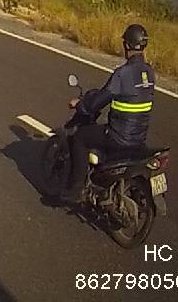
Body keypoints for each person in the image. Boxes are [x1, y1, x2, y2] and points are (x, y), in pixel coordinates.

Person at [62, 23, 156, 203]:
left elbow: (101, 99)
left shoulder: (123, 73)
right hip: (139, 137)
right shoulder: (149, 72)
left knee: (80, 138)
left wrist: (81, 105)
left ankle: (76, 189)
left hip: (119, 137)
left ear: (126, 45)